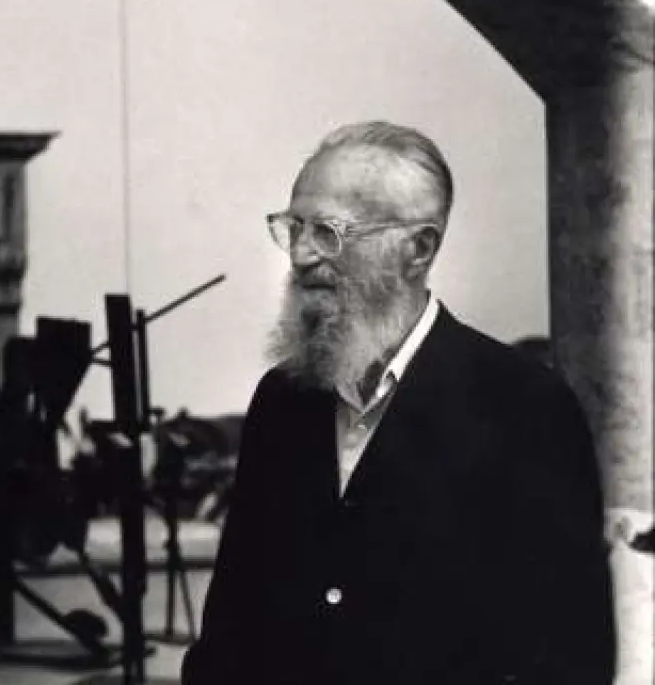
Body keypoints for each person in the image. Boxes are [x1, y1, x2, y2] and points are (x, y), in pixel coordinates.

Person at [182, 122, 615, 684]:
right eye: (294, 227)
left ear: (418, 249)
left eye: (329, 232)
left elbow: (571, 655)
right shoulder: (282, 399)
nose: (301, 255)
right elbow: (230, 624)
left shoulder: (525, 408)